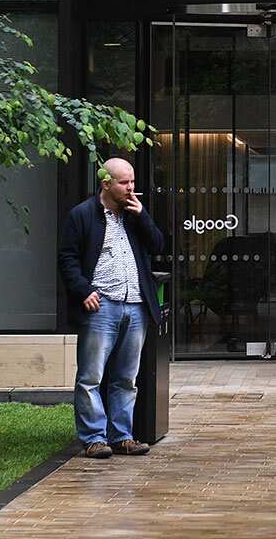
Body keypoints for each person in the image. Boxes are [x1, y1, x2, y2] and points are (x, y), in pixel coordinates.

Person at [59, 157, 164, 459]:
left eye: (132, 182)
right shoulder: (82, 215)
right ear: (106, 183)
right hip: (101, 305)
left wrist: (143, 216)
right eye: (124, 182)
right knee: (91, 376)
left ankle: (122, 436)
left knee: (126, 377)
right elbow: (67, 259)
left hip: (135, 305)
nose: (131, 188)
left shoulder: (134, 214)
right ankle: (93, 438)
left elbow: (158, 245)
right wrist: (83, 291)